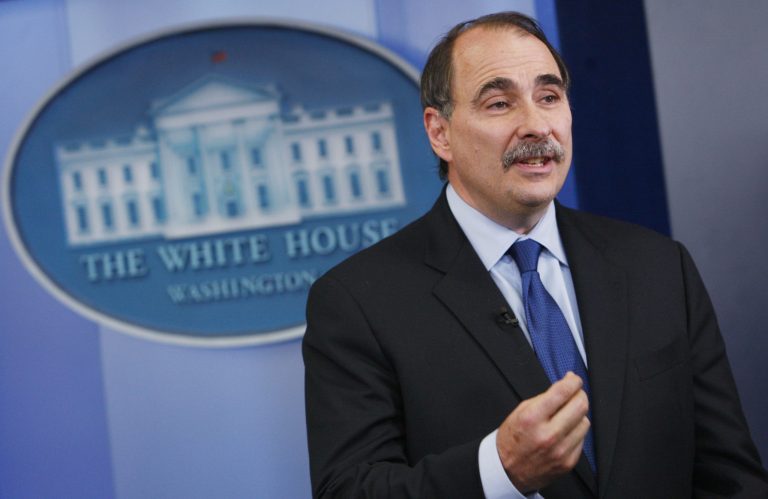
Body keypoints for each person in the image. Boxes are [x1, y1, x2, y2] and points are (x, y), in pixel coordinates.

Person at [302, 11, 768, 498]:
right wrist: (499, 470)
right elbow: (350, 490)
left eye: (549, 97)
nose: (536, 125)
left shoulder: (658, 267)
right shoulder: (357, 301)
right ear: (440, 133)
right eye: (500, 103)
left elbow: (730, 477)